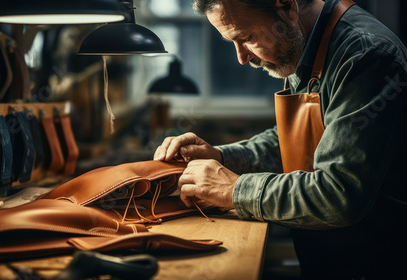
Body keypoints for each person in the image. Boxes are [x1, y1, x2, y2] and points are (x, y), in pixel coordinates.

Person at [153, 0, 407, 279]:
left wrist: (235, 190)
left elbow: (340, 193)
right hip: (327, 257)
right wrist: (222, 157)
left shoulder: (365, 56)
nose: (241, 57)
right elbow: (296, 141)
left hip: (374, 264)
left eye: (247, 38)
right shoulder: (308, 42)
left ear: (287, 7)